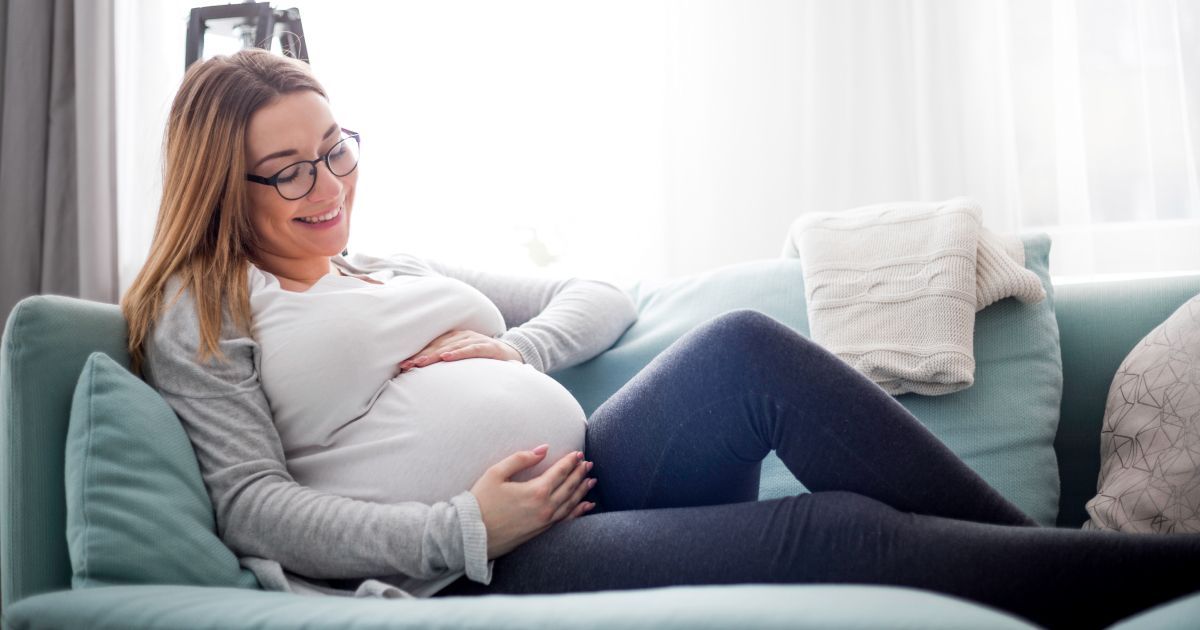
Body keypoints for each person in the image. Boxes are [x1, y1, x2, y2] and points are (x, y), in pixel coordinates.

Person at [120, 48, 1200, 629]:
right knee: (827, 535)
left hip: (592, 473)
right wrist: (461, 527)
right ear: (224, 183)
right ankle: (1128, 583)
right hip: (485, 565)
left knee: (741, 349)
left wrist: (520, 354)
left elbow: (598, 292)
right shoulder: (202, 307)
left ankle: (1066, 576)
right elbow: (252, 504)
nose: (330, 186)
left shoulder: (390, 262)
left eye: (338, 150)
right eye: (292, 169)